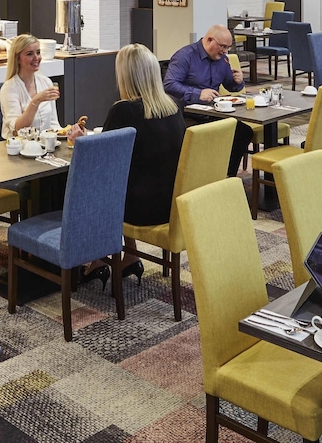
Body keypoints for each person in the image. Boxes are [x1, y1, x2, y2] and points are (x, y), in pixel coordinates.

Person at [96, 44, 186, 286]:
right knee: (129, 182)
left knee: (93, 189)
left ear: (126, 75)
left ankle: (95, 259)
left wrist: (81, 140)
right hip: (173, 204)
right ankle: (130, 256)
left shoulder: (124, 111)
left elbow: (103, 158)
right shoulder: (174, 106)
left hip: (142, 210)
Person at [163, 25, 251, 176]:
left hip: (213, 113)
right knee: (206, 135)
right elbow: (169, 84)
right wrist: (198, 94)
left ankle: (226, 175)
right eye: (223, 46)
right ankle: (199, 176)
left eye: (228, 47)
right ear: (210, 40)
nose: (225, 51)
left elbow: (230, 85)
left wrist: (238, 82)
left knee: (243, 132)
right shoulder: (185, 56)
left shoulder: (223, 60)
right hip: (186, 114)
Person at [0, 34, 63, 139]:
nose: (36, 58)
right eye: (29, 54)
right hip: (18, 146)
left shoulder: (46, 82)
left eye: (38, 52)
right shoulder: (9, 88)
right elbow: (17, 130)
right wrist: (36, 101)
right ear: (18, 59)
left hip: (45, 144)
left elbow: (53, 123)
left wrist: (68, 133)